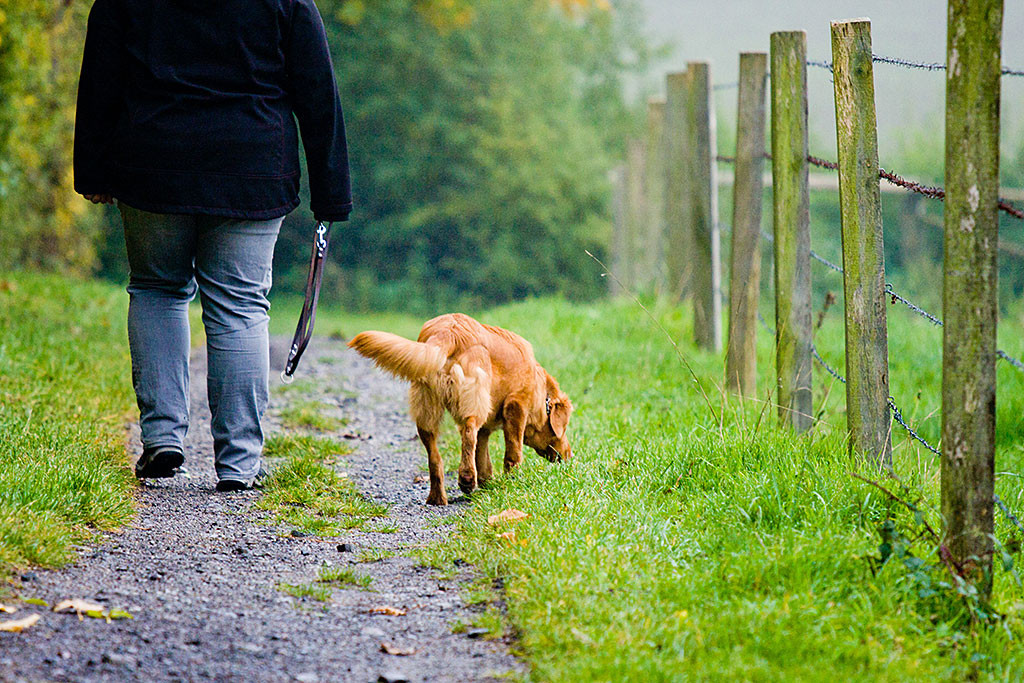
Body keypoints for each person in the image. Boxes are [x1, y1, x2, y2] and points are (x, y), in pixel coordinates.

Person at [74, 0, 351, 491]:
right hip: (251, 167)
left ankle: (162, 437)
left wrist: (93, 169)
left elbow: (100, 78)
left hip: (153, 161)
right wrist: (331, 192)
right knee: (240, 306)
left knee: (158, 288)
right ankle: (239, 464)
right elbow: (318, 93)